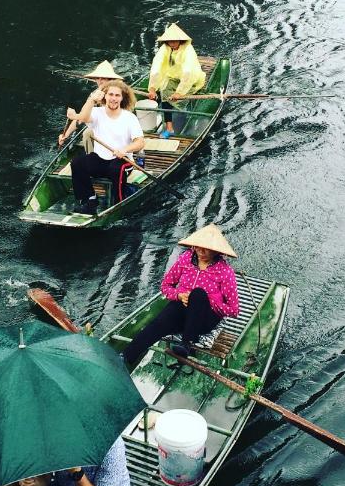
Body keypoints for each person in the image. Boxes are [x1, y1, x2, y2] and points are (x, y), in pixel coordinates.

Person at [122, 224, 240, 369]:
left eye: (206, 248)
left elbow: (233, 310)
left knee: (198, 294)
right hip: (183, 314)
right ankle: (126, 356)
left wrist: (208, 302)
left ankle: (186, 344)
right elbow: (165, 286)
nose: (200, 251)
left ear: (216, 251)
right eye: (197, 246)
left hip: (205, 320)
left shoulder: (225, 272)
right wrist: (179, 296)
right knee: (159, 322)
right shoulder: (185, 259)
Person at [67, 79, 145, 215]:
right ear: (105, 96)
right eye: (110, 95)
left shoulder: (129, 118)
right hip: (100, 159)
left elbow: (140, 143)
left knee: (117, 169)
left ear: (122, 98)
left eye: (117, 95)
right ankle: (90, 200)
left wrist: (124, 150)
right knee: (77, 163)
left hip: (123, 160)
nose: (113, 99)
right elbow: (84, 117)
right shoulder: (97, 112)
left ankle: (119, 203)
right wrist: (91, 100)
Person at [147, 23, 205, 137]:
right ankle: (169, 128)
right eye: (169, 41)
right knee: (164, 91)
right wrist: (152, 88)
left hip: (191, 79)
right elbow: (156, 65)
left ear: (180, 40)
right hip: (173, 76)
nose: (172, 44)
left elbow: (188, 72)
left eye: (174, 41)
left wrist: (180, 92)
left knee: (181, 99)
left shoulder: (188, 50)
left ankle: (184, 114)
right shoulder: (165, 48)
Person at [58, 60, 122, 149]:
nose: (99, 81)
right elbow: (83, 116)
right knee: (89, 132)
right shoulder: (94, 94)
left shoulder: (116, 94)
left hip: (116, 128)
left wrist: (75, 116)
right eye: (97, 78)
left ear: (110, 79)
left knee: (88, 133)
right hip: (100, 126)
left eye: (103, 78)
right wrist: (66, 135)